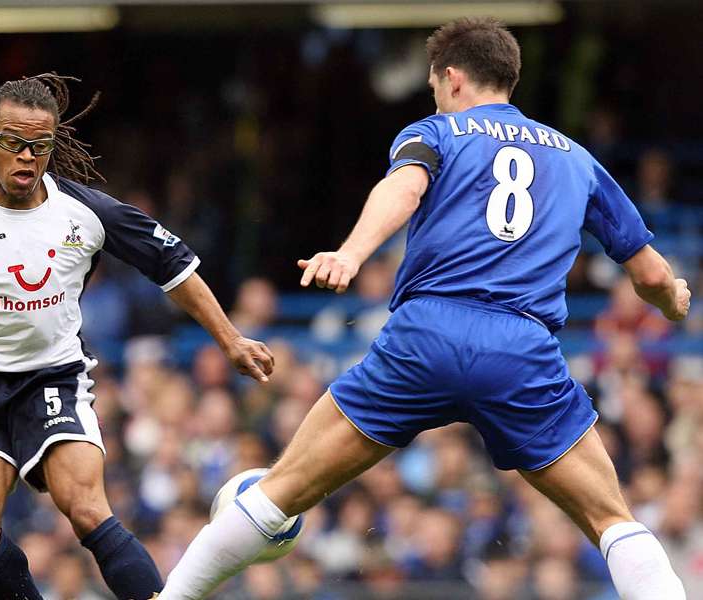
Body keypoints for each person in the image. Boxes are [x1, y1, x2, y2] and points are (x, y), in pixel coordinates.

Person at [158, 18, 690, 600]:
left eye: (435, 85)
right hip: (521, 349)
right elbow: (650, 272)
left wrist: (353, 251)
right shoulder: (577, 159)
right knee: (611, 518)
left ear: (453, 78)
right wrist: (672, 299)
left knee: (281, 488)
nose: (436, 97)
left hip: (426, 335)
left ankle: (175, 595)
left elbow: (404, 188)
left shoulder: (439, 131)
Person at [0, 73, 275, 600]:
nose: (26, 157)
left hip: (53, 380)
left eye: (39, 146)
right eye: (14, 143)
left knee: (86, 508)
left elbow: (172, 266)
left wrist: (230, 340)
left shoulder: (87, 212)